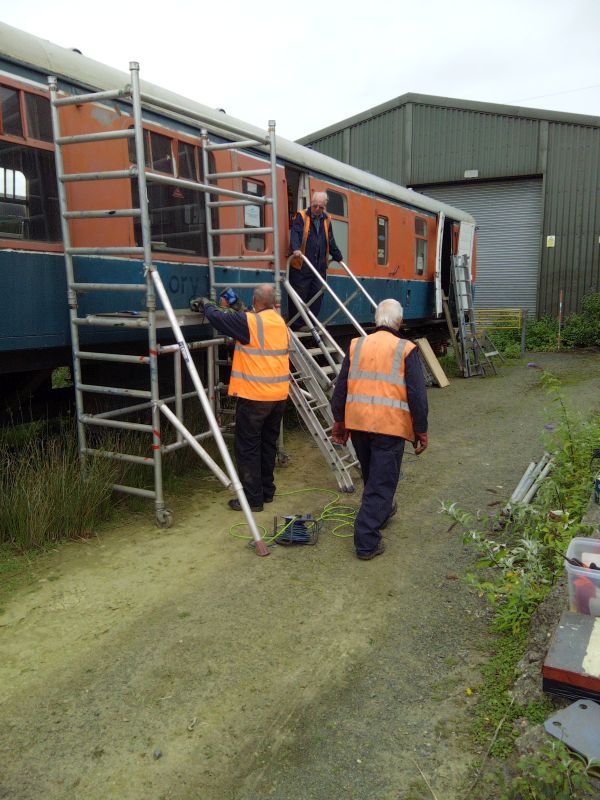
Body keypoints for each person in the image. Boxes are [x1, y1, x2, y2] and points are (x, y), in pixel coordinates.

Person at [330, 299, 428, 560]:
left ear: (377, 320)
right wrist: (421, 429)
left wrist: (339, 421)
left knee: (373, 475)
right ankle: (367, 543)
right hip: (390, 427)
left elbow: (341, 388)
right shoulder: (406, 349)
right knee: (382, 483)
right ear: (399, 321)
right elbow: (417, 395)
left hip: (359, 423)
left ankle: (382, 512)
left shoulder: (357, 345)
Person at [190, 284, 289, 512]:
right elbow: (249, 320)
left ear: (256, 301)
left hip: (255, 397)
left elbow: (221, 319)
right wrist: (236, 306)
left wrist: (206, 305)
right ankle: (267, 491)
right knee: (267, 444)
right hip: (278, 396)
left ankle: (253, 500)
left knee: (248, 448)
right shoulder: (278, 322)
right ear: (272, 302)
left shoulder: (250, 323)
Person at [288, 191, 343, 326]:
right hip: (302, 264)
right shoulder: (301, 216)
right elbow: (295, 233)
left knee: (317, 294)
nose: (317, 209)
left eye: (321, 207)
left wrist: (338, 256)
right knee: (299, 294)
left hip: (319, 266)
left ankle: (310, 324)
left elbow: (330, 239)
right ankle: (296, 324)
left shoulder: (326, 219)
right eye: (315, 206)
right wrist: (295, 248)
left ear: (325, 207)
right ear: (311, 204)